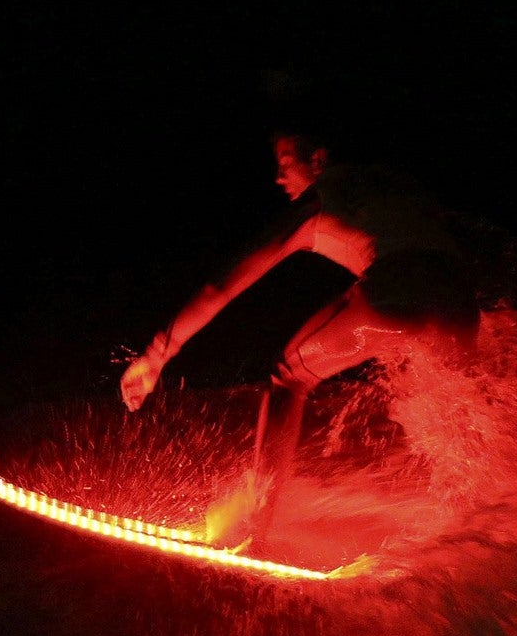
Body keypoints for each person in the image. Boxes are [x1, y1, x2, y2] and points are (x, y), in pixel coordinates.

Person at [120, 130, 480, 550]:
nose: (278, 176)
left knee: (289, 374)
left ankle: (256, 534)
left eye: (286, 162)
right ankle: (467, 525)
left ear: (319, 159)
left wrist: (157, 354)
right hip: (462, 310)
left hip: (401, 287)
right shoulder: (395, 186)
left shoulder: (321, 200)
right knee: (453, 414)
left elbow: (222, 287)